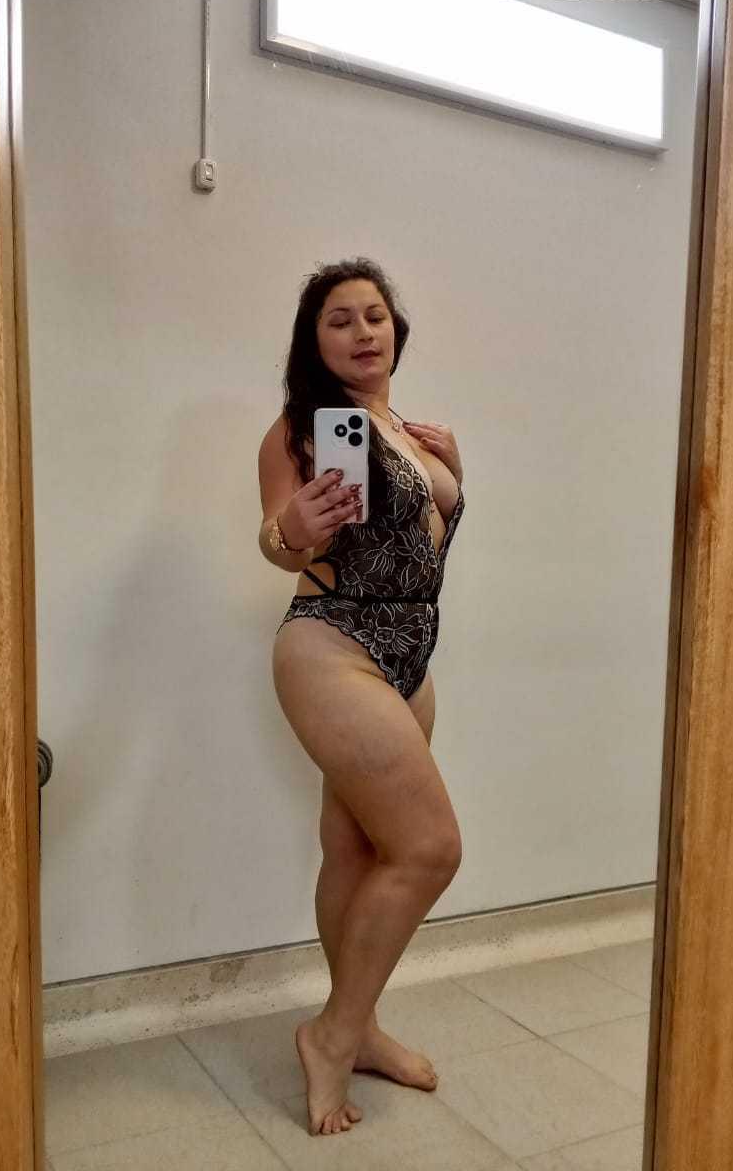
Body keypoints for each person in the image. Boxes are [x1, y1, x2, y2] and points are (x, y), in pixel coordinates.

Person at [257, 258, 466, 1136]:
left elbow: (424, 538)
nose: (362, 332)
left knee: (355, 848)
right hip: (333, 643)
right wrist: (289, 530)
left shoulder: (411, 433)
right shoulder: (306, 430)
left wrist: (451, 472)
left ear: (395, 330)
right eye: (338, 320)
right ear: (315, 342)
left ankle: (363, 1024)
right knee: (430, 848)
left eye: (374, 315)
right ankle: (333, 1036)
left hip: (410, 656)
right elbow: (281, 538)